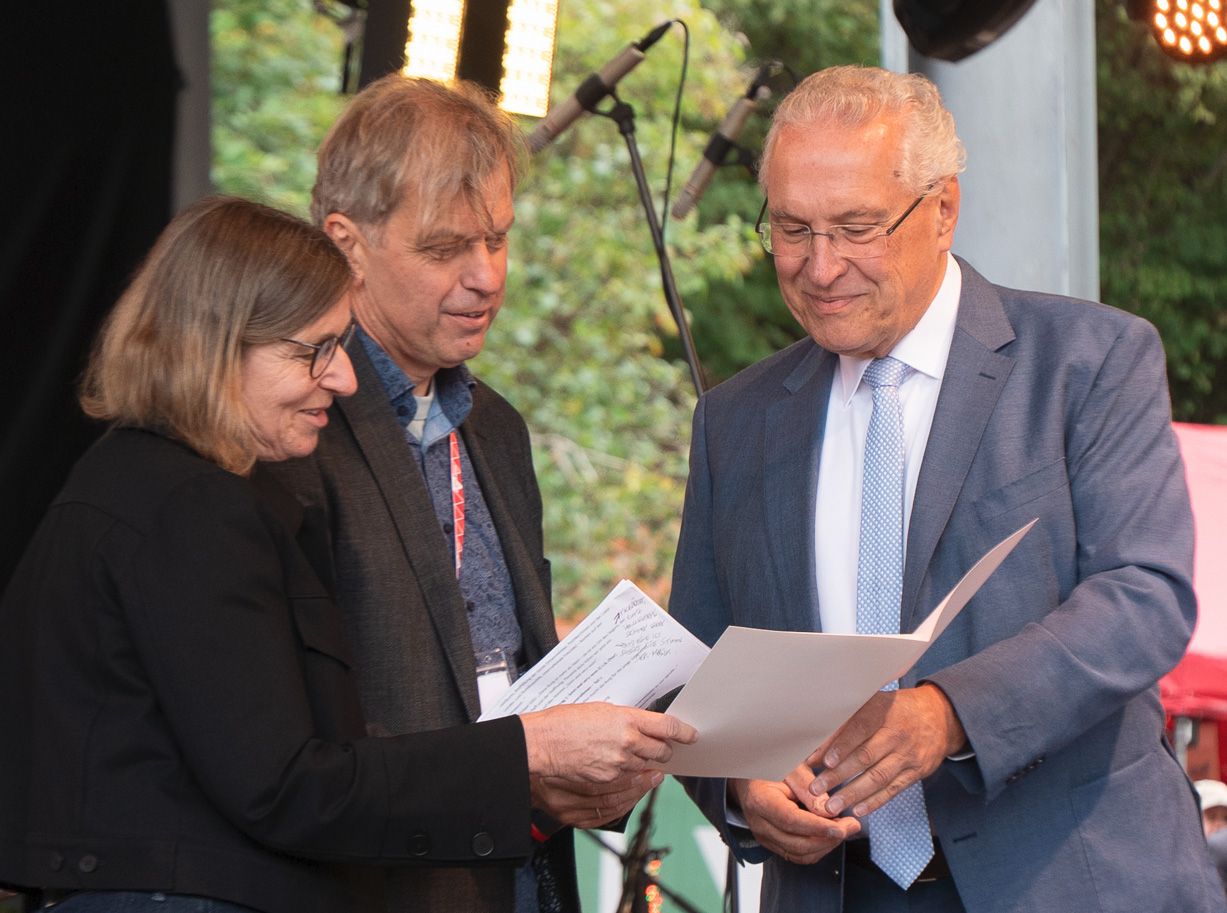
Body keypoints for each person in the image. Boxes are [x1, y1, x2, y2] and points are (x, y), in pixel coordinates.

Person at [0, 196, 696, 913]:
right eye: (316, 350)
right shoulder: (191, 506)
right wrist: (530, 751)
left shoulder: (131, 481)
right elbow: (287, 786)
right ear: (216, 344)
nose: (344, 378)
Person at [668, 65, 1226, 913]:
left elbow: (1141, 596)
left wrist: (947, 713)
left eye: (855, 228)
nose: (820, 265)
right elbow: (694, 669)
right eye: (791, 228)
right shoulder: (733, 421)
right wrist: (741, 787)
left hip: (1071, 885)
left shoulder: (1088, 361)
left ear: (942, 209)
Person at [264, 75, 673, 913]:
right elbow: (292, 745)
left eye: (497, 237)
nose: (485, 275)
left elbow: (515, 669)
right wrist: (520, 762)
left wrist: (590, 763)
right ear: (346, 244)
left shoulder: (496, 427)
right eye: (444, 247)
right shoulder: (293, 433)